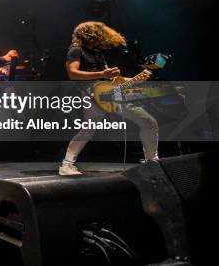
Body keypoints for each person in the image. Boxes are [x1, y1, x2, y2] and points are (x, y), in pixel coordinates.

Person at [58, 21, 159, 176]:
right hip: (90, 93)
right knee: (89, 129)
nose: (101, 37)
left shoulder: (98, 53)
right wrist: (102, 74)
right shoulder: (75, 50)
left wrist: (137, 78)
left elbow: (110, 80)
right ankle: (67, 165)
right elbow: (73, 73)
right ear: (89, 35)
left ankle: (151, 162)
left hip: (108, 92)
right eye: (98, 34)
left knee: (148, 122)